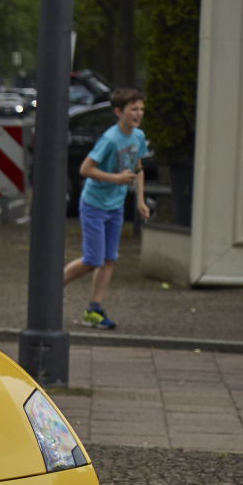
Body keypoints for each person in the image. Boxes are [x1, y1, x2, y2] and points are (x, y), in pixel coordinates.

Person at [63, 87, 150, 330]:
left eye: (141, 109)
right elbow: (85, 169)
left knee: (109, 259)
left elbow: (138, 169)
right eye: (134, 109)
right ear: (119, 111)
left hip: (116, 206)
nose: (139, 113)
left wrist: (141, 201)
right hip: (94, 204)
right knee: (93, 259)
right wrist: (116, 179)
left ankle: (94, 310)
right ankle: (52, 288)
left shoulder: (138, 136)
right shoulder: (110, 139)